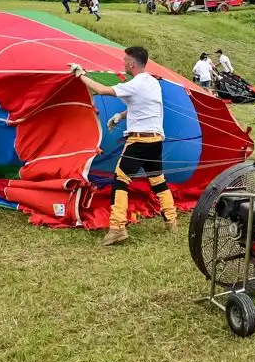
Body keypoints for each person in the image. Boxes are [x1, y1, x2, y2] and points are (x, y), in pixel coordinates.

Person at [69, 47, 178, 246]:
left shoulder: (135, 84)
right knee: (158, 180)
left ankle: (118, 227)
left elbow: (101, 90)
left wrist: (81, 74)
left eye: (124, 60)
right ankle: (171, 221)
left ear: (132, 63)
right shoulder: (152, 82)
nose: (122, 63)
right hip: (155, 140)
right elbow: (143, 105)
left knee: (121, 180)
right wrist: (121, 116)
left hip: (139, 141)